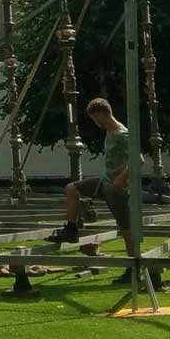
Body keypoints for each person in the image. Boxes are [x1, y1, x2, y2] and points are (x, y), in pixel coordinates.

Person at [49, 98, 133, 246]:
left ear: (101, 114)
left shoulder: (122, 134)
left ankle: (135, 264)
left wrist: (121, 177)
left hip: (117, 189)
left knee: (126, 229)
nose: (95, 122)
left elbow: (138, 160)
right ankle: (71, 230)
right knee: (72, 189)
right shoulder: (110, 131)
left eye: (94, 118)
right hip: (105, 181)